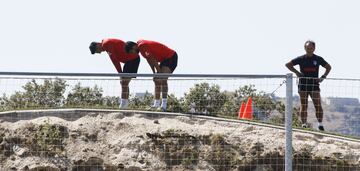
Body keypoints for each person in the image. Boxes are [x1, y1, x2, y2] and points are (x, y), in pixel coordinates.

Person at [286, 40, 332, 131]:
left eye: (311, 48)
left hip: (314, 85)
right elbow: (288, 65)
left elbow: (328, 67)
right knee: (304, 105)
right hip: (303, 84)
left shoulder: (318, 59)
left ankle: (320, 124)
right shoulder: (301, 58)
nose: (309, 50)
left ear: (314, 48)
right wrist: (297, 73)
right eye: (307, 48)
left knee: (318, 105)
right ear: (305, 48)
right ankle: (304, 124)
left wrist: (323, 77)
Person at [125, 40, 178, 111]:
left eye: (132, 52)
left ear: (134, 47)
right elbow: (149, 60)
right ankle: (156, 104)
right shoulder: (142, 50)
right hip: (164, 60)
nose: (133, 53)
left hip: (171, 56)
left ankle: (164, 105)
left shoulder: (142, 45)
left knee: (162, 79)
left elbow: (153, 60)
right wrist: (154, 72)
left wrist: (159, 72)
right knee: (156, 79)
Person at [89, 38, 140, 109]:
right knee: (124, 83)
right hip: (129, 61)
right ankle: (124, 104)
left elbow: (114, 60)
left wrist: (120, 73)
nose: (100, 52)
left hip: (132, 59)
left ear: (98, 44)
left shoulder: (106, 44)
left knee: (124, 82)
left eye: (97, 50)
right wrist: (121, 74)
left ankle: (123, 105)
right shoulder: (106, 44)